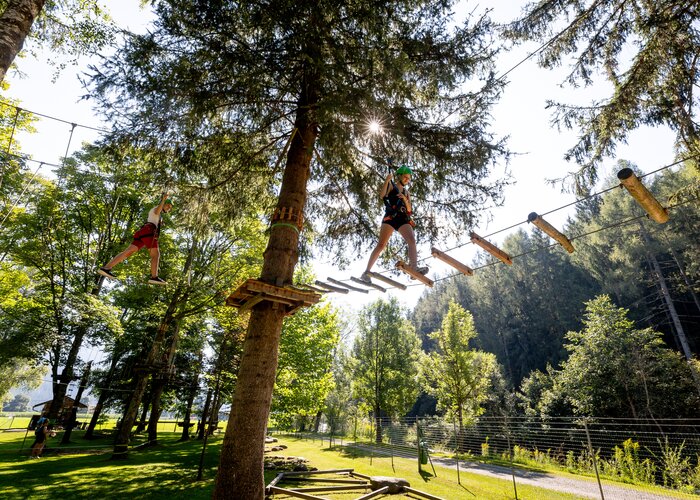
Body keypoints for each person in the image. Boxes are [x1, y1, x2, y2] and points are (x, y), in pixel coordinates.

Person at [360, 165, 428, 283]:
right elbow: (382, 195)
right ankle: (366, 272)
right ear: (400, 176)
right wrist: (387, 180)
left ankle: (414, 268)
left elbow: (409, 210)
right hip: (390, 218)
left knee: (411, 240)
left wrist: (405, 199)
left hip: (403, 218)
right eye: (406, 177)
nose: (407, 179)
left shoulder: (406, 192)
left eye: (409, 178)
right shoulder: (392, 185)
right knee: (381, 245)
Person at [98, 193, 173, 285]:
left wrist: (160, 222)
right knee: (155, 255)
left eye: (170, 207)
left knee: (128, 251)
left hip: (143, 232)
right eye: (168, 205)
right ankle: (154, 277)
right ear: (163, 204)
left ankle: (106, 268)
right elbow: (157, 211)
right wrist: (163, 200)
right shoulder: (156, 209)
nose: (169, 208)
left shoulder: (157, 214)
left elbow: (155, 216)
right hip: (149, 232)